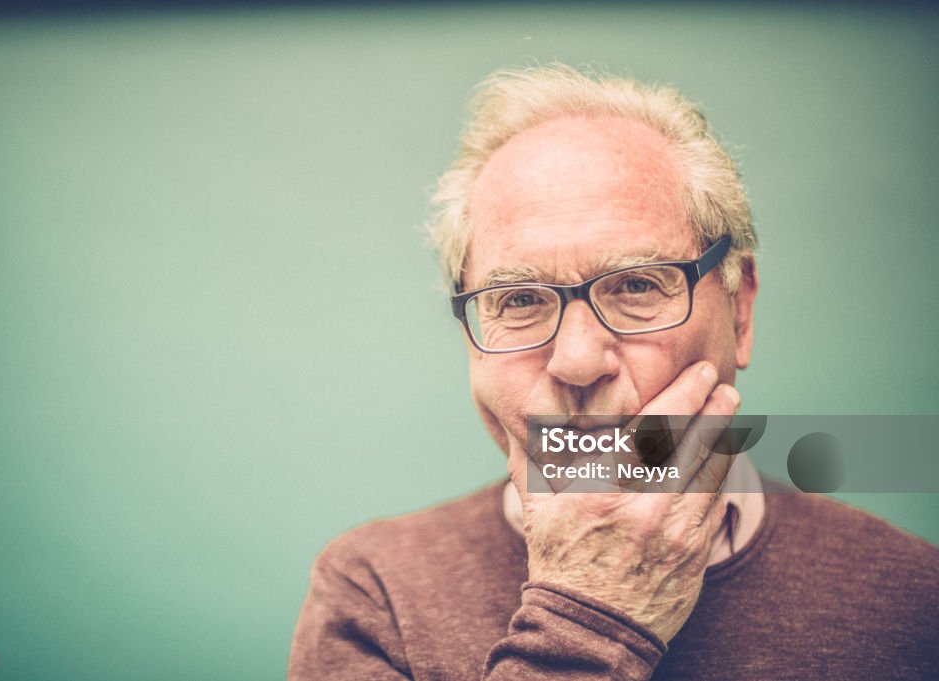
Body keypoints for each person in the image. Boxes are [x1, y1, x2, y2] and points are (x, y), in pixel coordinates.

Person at [288, 64, 938, 680]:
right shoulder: (374, 594)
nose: (576, 362)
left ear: (739, 311)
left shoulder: (913, 599)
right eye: (519, 300)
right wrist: (588, 619)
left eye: (635, 285)